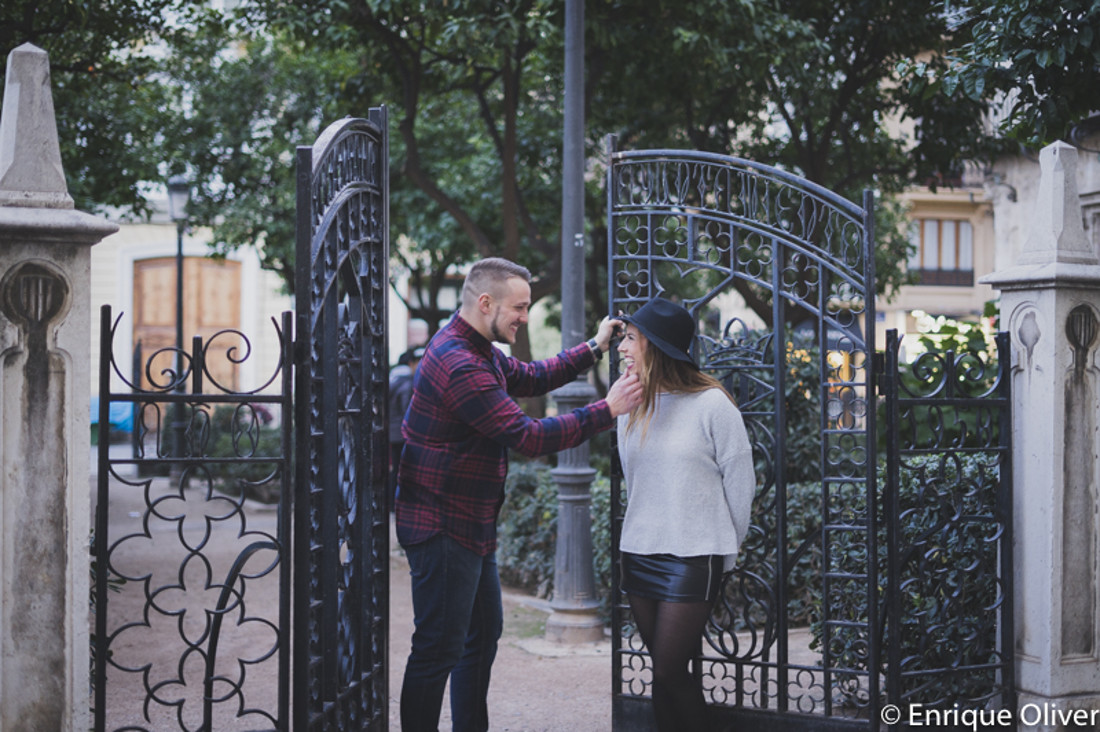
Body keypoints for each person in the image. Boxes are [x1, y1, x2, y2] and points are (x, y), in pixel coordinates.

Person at [395, 257, 643, 732]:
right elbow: (527, 436)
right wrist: (607, 410)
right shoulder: (459, 363)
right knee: (437, 649)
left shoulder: (479, 347)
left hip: (469, 523)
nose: (525, 317)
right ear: (485, 302)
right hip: (442, 524)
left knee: (482, 635)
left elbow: (529, 376)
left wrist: (594, 346)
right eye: (519, 307)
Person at [615, 297, 756, 732]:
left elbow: (741, 485)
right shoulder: (630, 404)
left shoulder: (713, 405)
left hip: (694, 556)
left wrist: (724, 550)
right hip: (639, 551)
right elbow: (635, 478)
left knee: (670, 672)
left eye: (630, 338)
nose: (621, 346)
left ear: (654, 346)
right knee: (663, 673)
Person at [389, 345, 424, 509]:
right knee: (405, 470)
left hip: (392, 433)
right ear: (411, 363)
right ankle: (401, 504)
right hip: (403, 433)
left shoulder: (393, 379)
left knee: (395, 468)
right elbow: (406, 408)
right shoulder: (407, 382)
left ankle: (392, 503)